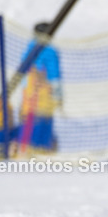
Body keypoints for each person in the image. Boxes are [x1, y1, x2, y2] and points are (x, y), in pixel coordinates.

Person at [16, 22, 62, 154]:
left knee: (27, 122)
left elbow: (24, 74)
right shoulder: (50, 51)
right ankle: (41, 149)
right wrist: (58, 95)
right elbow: (54, 75)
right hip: (45, 95)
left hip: (29, 94)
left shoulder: (29, 48)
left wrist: (25, 91)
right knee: (42, 123)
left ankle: (25, 148)